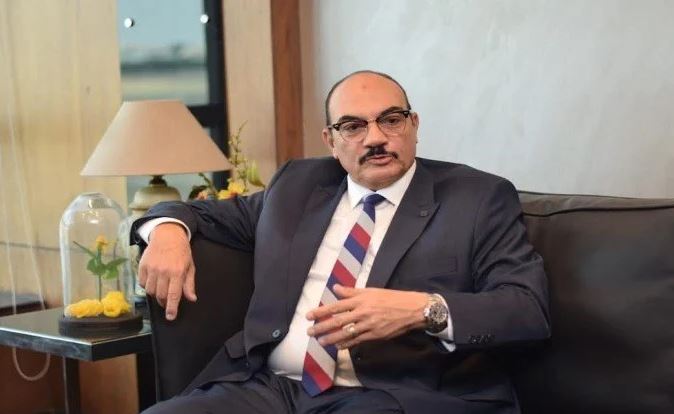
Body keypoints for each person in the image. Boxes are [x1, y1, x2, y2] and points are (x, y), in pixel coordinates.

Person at [132, 70, 550, 414]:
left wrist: (423, 309)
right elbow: (201, 213)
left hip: (395, 394)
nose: (375, 138)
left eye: (391, 120)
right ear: (331, 142)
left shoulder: (477, 198)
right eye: (353, 126)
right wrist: (167, 232)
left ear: (414, 125)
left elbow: (526, 309)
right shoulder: (296, 186)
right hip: (272, 390)